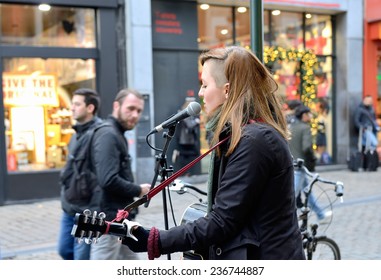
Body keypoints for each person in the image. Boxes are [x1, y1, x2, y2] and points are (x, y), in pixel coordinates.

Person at [121, 46, 305, 260]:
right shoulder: (243, 135)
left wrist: (155, 240)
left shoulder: (255, 140)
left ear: (227, 90)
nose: (200, 93)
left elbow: (223, 220)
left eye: (205, 85)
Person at [89, 88, 151, 260]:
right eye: (130, 108)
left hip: (120, 218)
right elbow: (108, 180)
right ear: (116, 106)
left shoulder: (116, 133)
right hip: (108, 219)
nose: (135, 115)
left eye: (138, 111)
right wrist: (138, 190)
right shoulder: (108, 134)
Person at [57, 88, 102, 260]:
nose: (72, 108)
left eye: (77, 104)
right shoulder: (75, 135)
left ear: (90, 108)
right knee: (64, 250)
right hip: (69, 207)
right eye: (72, 104)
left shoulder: (101, 133)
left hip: (87, 211)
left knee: (81, 258)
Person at [288, 104, 332, 222]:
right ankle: (286, 221)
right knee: (293, 196)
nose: (311, 116)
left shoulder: (292, 127)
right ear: (304, 115)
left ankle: (320, 214)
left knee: (308, 191)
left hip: (293, 163)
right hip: (300, 165)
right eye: (309, 114)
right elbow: (306, 147)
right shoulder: (305, 127)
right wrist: (313, 157)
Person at [173, 96, 201, 176]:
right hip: (185, 140)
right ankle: (186, 173)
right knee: (185, 156)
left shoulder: (188, 113)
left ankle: (187, 172)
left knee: (189, 155)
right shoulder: (184, 113)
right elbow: (189, 125)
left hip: (188, 139)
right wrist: (196, 121)